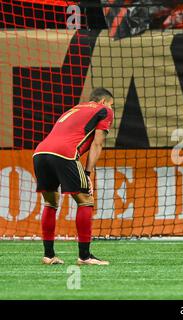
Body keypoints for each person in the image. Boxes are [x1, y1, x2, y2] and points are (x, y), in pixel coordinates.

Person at [33, 88, 114, 265]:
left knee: (51, 202)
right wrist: (87, 173)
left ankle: (49, 255)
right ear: (103, 102)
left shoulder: (74, 109)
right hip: (65, 154)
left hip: (40, 152)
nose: (111, 108)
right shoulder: (104, 110)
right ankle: (84, 257)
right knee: (85, 200)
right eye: (110, 104)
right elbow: (97, 144)